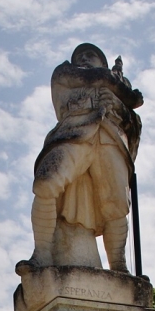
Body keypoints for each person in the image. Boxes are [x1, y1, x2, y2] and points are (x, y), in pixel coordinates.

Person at [30, 43, 143, 271]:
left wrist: (119, 107)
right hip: (73, 133)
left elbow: (134, 123)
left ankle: (119, 266)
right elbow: (101, 80)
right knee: (46, 183)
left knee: (117, 205)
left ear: (102, 61)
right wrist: (121, 90)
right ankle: (41, 254)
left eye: (90, 55)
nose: (84, 58)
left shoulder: (115, 86)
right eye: (79, 56)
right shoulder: (65, 73)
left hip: (111, 138)